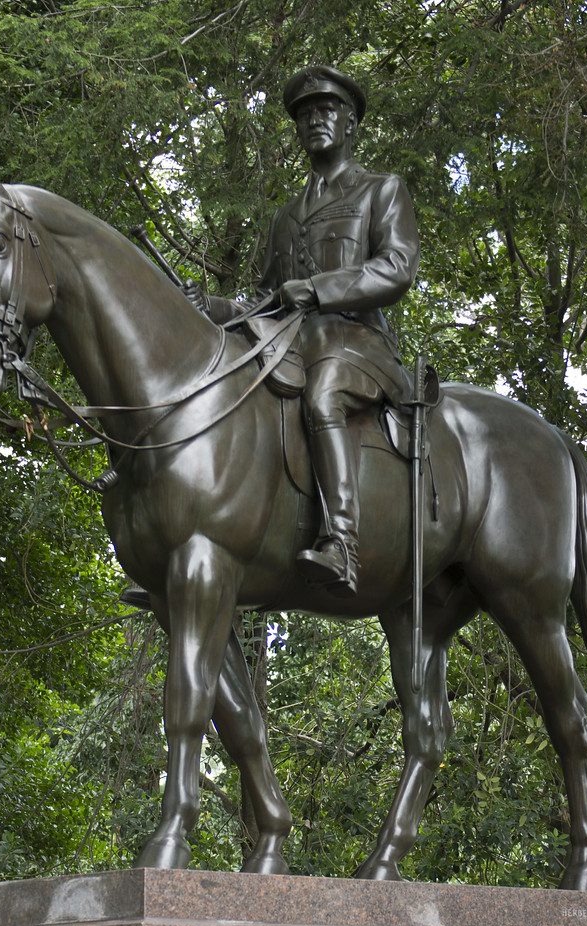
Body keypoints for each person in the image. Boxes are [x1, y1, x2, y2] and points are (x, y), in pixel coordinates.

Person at [189, 65, 421, 597]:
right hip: (293, 341)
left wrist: (319, 288)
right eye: (306, 114)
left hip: (359, 341)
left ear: (350, 123)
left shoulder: (380, 191)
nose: (316, 119)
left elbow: (397, 268)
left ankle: (343, 542)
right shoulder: (286, 217)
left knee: (321, 397)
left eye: (327, 110)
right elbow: (266, 299)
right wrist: (217, 306)